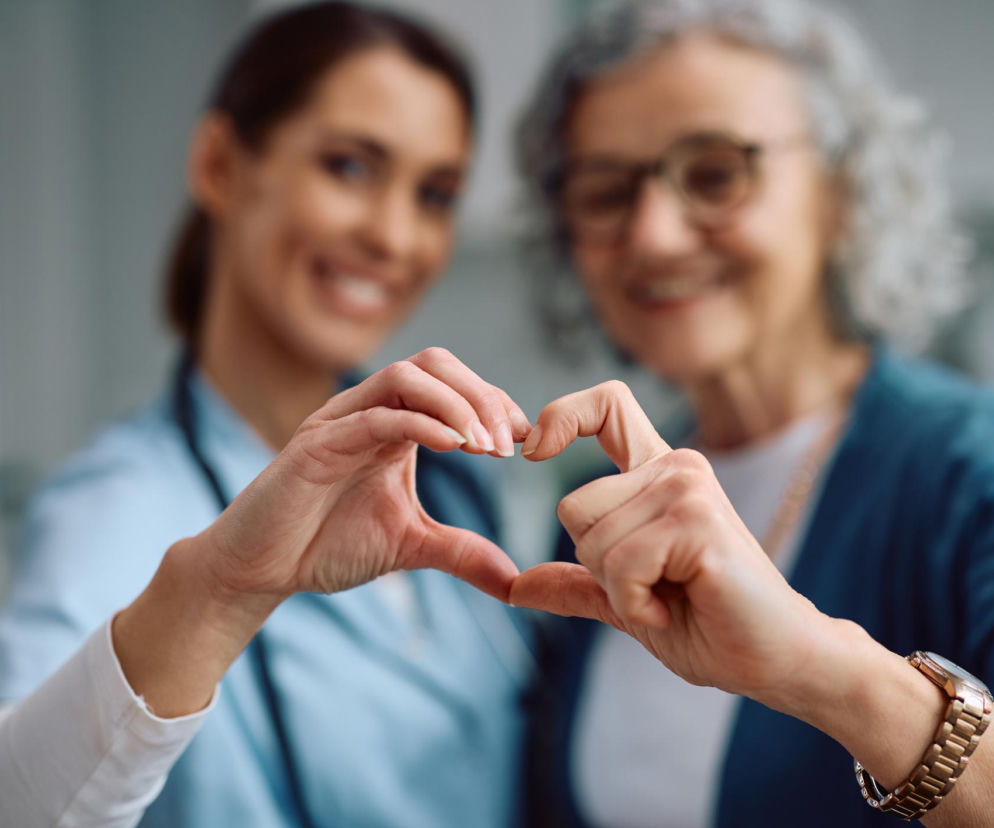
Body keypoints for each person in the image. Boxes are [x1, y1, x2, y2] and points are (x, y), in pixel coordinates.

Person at [0, 4, 534, 826]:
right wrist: (215, 595)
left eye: (435, 194)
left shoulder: (456, 481)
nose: (396, 235)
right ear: (218, 163)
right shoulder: (119, 504)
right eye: (351, 167)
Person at [514, 0, 992, 825]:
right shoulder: (600, 511)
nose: (654, 235)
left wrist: (822, 672)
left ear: (840, 193)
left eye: (715, 172)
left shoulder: (966, 470)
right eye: (605, 191)